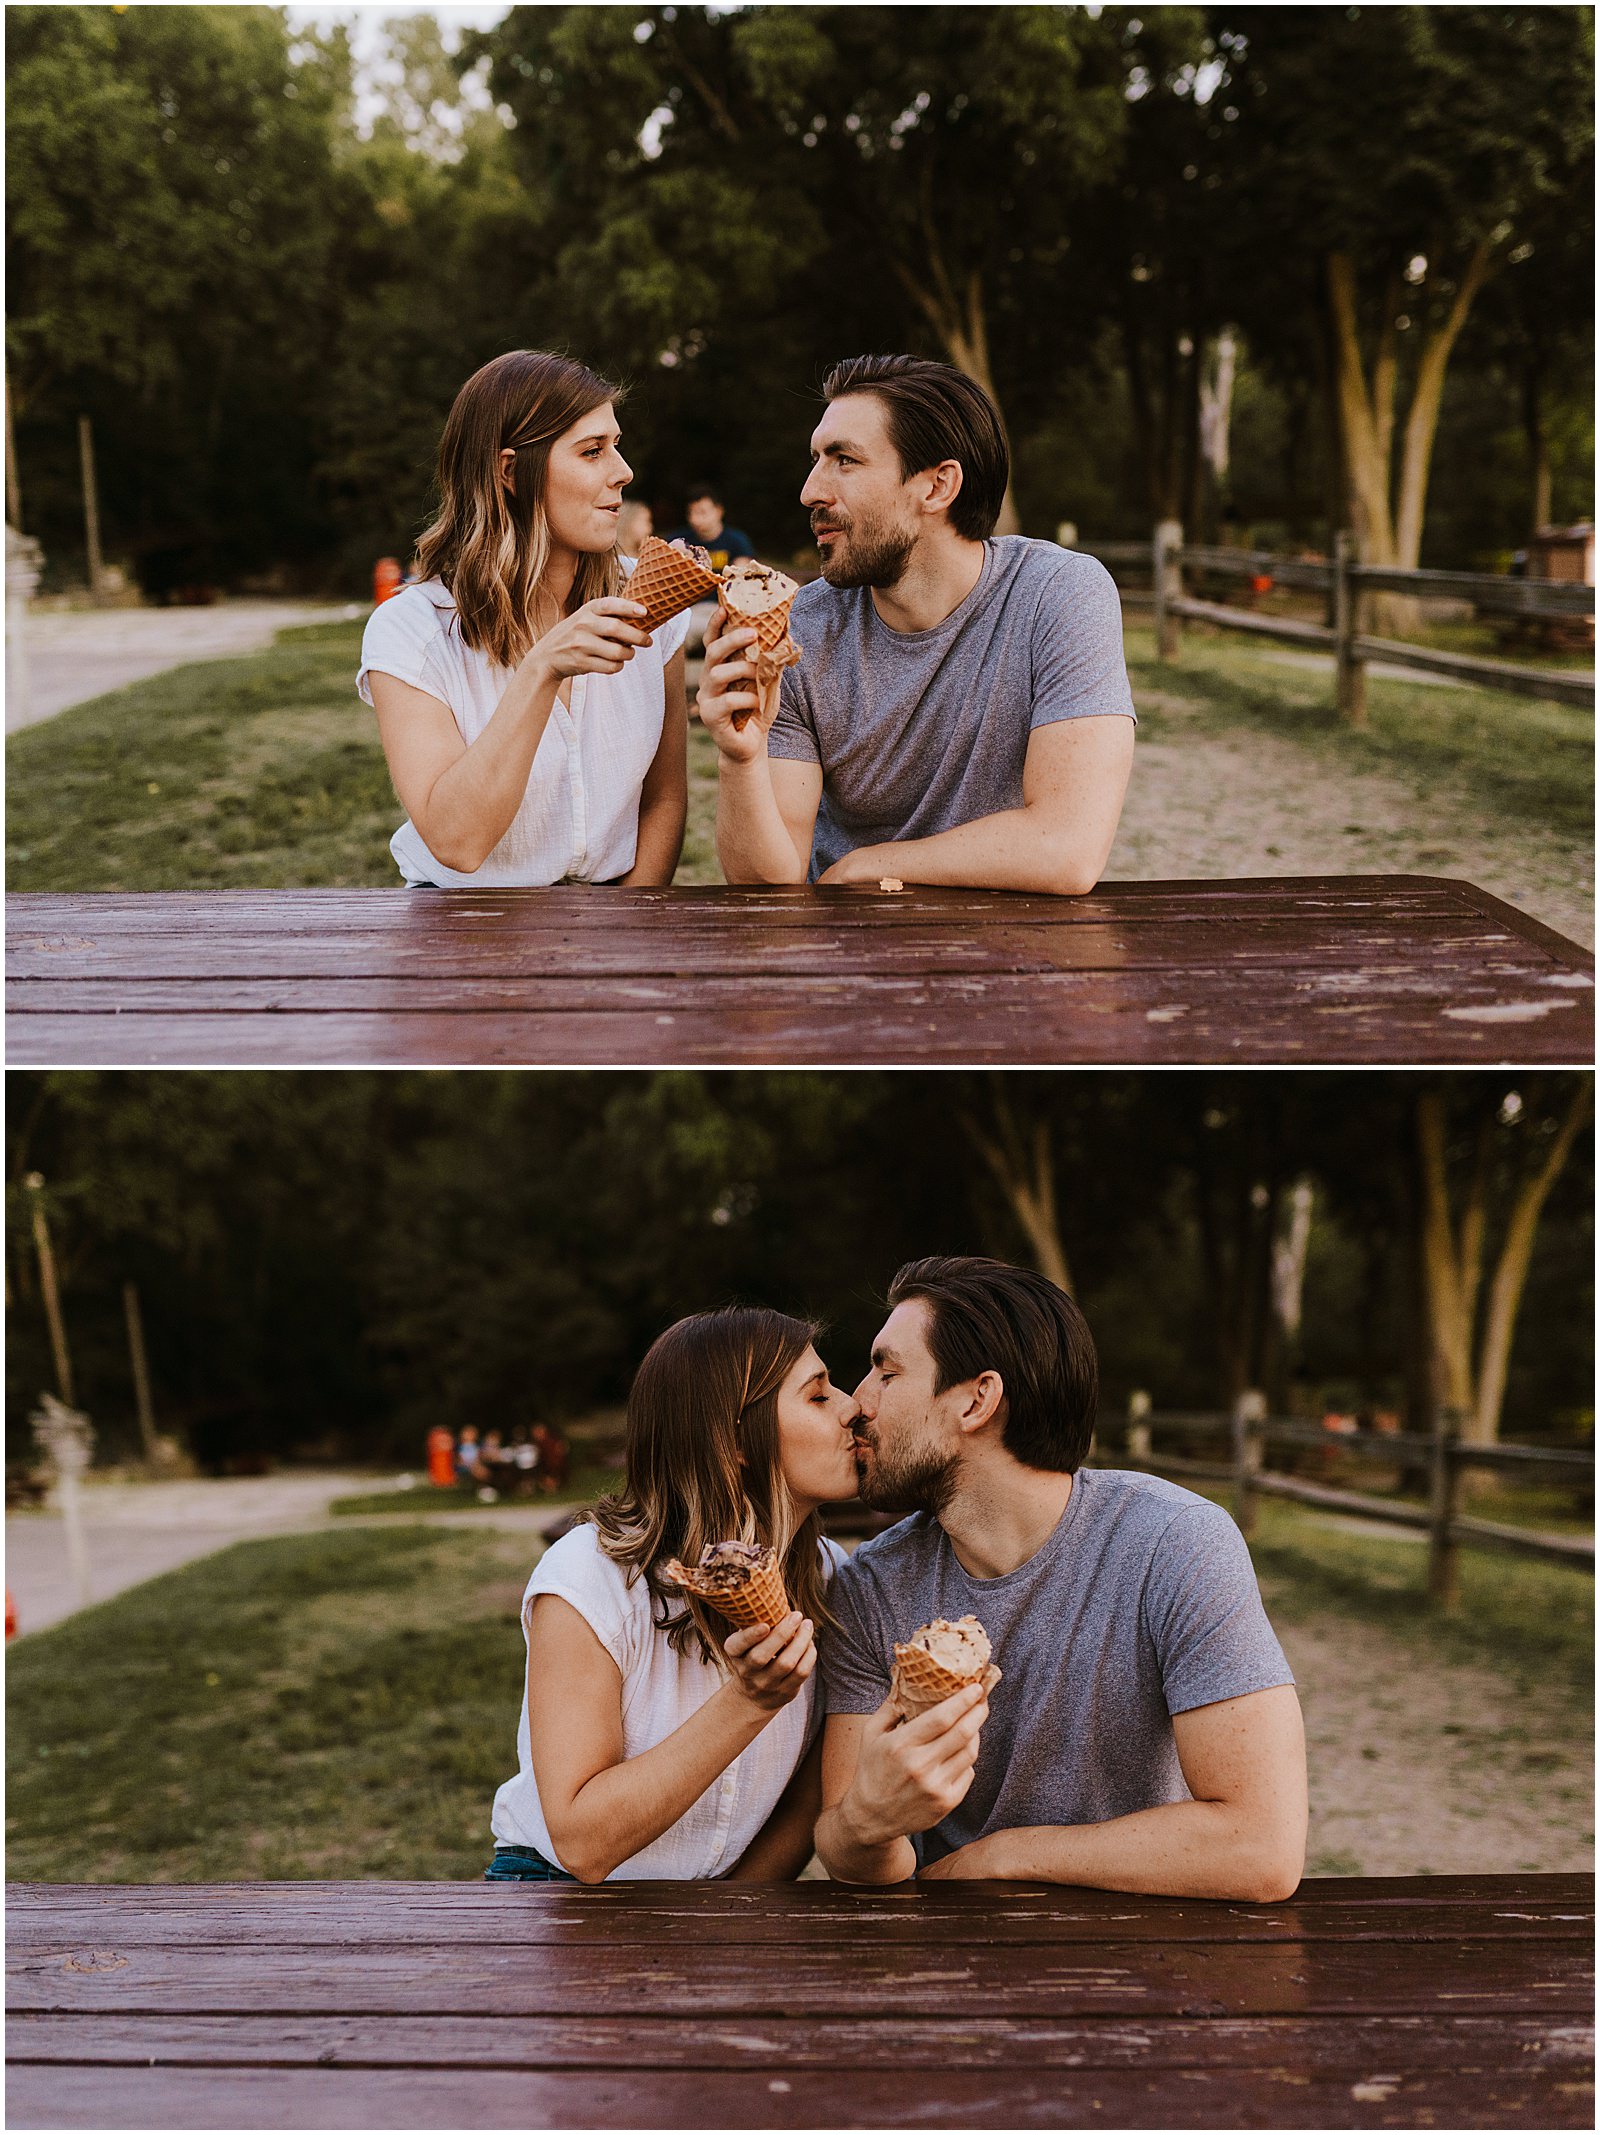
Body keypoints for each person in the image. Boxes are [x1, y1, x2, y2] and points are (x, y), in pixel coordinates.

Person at [815, 1256, 1307, 1899]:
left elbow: (1261, 1846)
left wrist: (1008, 1855)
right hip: (950, 1961)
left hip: (1150, 1948)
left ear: (975, 1400)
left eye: (887, 1370)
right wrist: (866, 1824)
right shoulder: (870, 1588)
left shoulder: (1175, 1544)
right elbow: (843, 1849)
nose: (858, 1403)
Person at [698, 354, 1136, 893]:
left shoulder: (1058, 594)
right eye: (815, 459)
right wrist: (739, 759)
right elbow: (766, 883)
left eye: (845, 460)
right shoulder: (799, 634)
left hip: (1019, 940)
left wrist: (870, 864)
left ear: (936, 487)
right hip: (851, 943)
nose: (810, 491)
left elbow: (1068, 846)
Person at [486, 1307, 861, 1882]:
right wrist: (750, 1700)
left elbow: (805, 1806)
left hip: (725, 1905)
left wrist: (729, 1917)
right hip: (561, 1900)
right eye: (818, 1396)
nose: (852, 1406)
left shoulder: (835, 1579)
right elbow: (582, 1843)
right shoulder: (593, 1574)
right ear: (733, 1439)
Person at [358, 350, 689, 887]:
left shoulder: (652, 606)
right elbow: (456, 842)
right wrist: (540, 671)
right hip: (465, 927)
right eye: (592, 451)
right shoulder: (411, 628)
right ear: (510, 471)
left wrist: (630, 931)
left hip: (618, 925)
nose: (623, 472)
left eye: (617, 447)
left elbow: (665, 799)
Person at [671, 485, 756, 573]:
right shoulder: (677, 540)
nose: (694, 519)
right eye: (690, 512)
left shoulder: (737, 541)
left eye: (702, 512)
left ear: (719, 511)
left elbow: (742, 573)